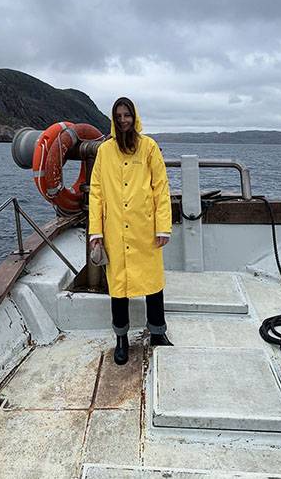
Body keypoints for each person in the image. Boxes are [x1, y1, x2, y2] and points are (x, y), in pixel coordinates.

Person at [89, 97, 173, 366]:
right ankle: (121, 339)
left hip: (144, 228)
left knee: (153, 283)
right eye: (119, 115)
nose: (123, 119)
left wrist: (163, 226)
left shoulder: (148, 147)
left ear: (134, 117)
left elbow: (161, 188)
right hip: (115, 230)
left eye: (127, 115)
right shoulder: (105, 151)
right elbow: (97, 192)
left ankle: (158, 332)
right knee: (119, 287)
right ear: (113, 119)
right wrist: (96, 232)